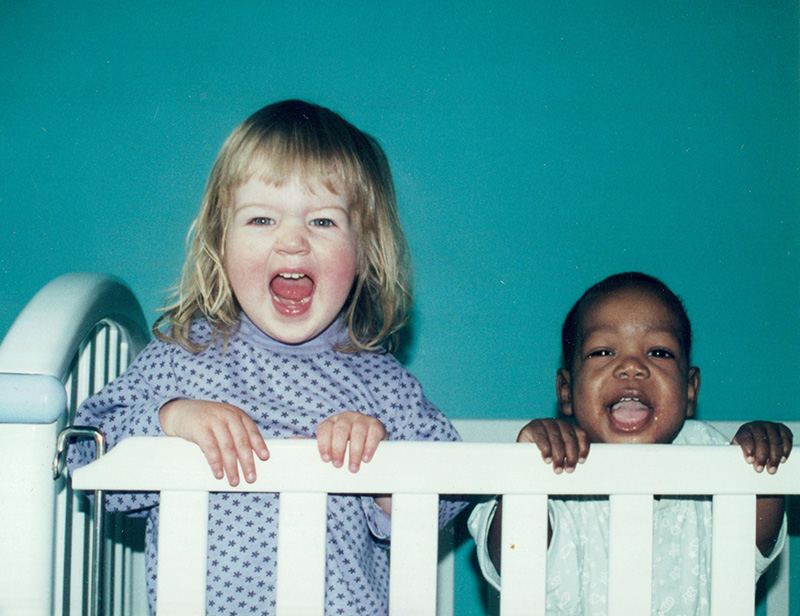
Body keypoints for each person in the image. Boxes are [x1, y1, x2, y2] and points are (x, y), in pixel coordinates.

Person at [69, 99, 465, 615]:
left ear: (365, 248)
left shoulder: (382, 383)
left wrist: (383, 463)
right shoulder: (183, 356)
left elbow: (455, 487)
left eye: (323, 222)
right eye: (261, 219)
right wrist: (172, 417)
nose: (293, 242)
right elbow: (85, 456)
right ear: (221, 239)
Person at [468, 272, 792, 615]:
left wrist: (761, 468)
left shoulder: (712, 454)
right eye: (603, 351)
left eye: (659, 352)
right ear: (566, 390)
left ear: (690, 389)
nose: (632, 367)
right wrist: (528, 472)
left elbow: (753, 543)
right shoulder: (555, 464)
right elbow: (512, 560)